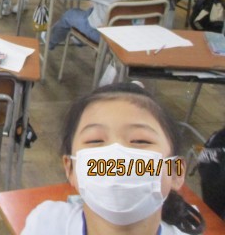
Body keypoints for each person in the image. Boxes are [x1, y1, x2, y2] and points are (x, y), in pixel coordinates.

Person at [22, 82, 205, 234]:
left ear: (175, 171)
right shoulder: (46, 225)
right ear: (70, 168)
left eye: (140, 141)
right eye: (95, 141)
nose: (117, 159)